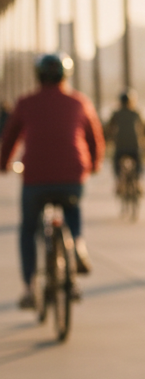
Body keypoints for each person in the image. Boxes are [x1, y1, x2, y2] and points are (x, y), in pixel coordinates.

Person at [1, 54, 104, 308]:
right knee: (72, 206)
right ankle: (77, 246)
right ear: (64, 76)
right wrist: (94, 165)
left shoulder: (25, 103)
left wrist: (3, 164)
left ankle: (29, 288)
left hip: (35, 178)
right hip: (72, 176)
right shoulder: (79, 102)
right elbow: (94, 139)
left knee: (28, 229)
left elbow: (9, 139)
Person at [106, 90, 145, 187]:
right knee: (138, 161)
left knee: (116, 161)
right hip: (135, 145)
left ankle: (118, 181)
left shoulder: (116, 114)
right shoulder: (137, 113)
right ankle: (138, 180)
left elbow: (109, 129)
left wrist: (108, 140)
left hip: (120, 145)